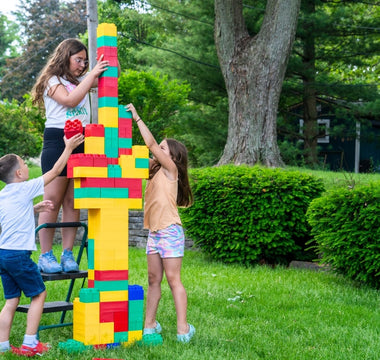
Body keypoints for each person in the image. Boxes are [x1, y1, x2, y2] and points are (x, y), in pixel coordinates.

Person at [0, 133, 84, 356]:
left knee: (11, 301)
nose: (27, 167)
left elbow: (10, 216)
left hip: (3, 255)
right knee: (39, 295)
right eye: (24, 164)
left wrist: (34, 209)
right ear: (19, 173)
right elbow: (56, 171)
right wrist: (68, 148)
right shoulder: (26, 187)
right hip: (19, 256)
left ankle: (3, 346)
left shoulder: (3, 195)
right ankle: (29, 343)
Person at [31, 38, 109, 273]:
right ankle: (45, 255)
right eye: (78, 60)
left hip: (82, 140)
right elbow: (69, 100)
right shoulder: (52, 81)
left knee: (72, 201)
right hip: (58, 140)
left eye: (85, 61)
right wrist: (91, 75)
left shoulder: (80, 81)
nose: (82, 65)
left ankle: (67, 254)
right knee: (52, 200)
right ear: (65, 57)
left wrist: (103, 63)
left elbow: (109, 78)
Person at [126, 103, 195, 343]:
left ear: (172, 156)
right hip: (155, 233)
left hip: (170, 231)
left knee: (174, 280)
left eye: (163, 149)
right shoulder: (155, 170)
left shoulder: (170, 169)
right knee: (154, 280)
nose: (157, 152)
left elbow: (151, 145)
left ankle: (183, 329)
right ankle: (149, 325)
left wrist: (137, 119)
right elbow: (130, 160)